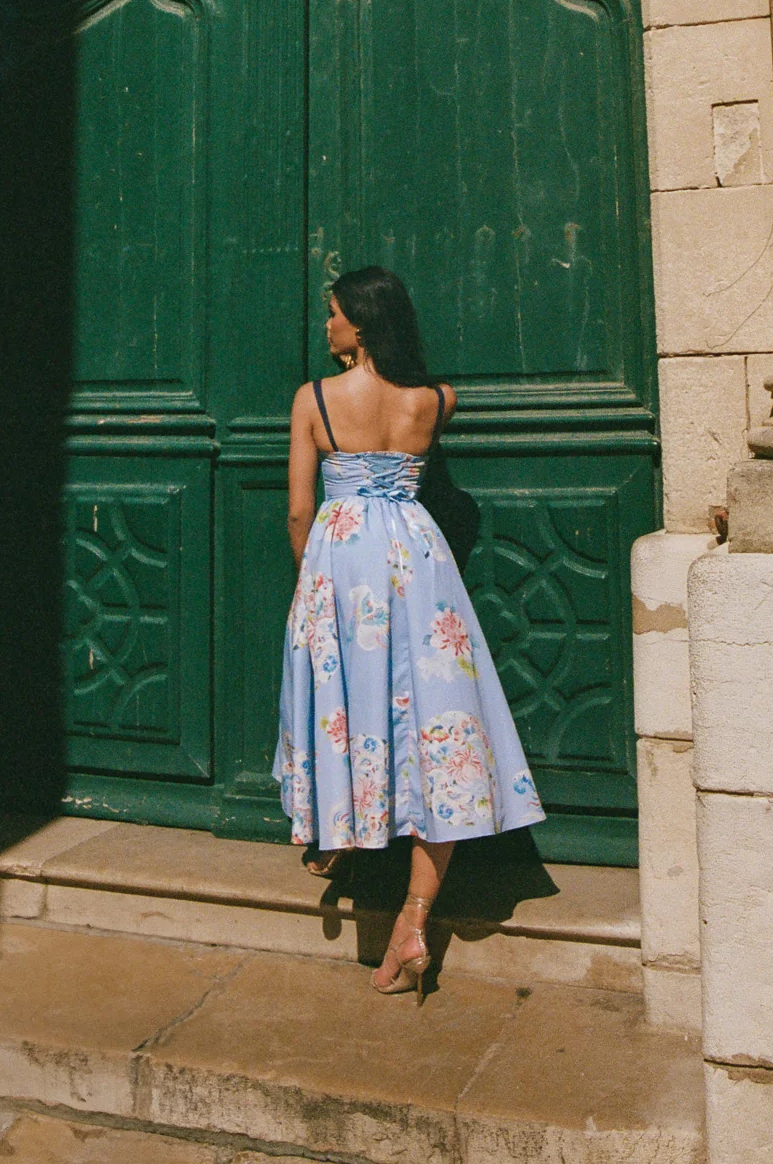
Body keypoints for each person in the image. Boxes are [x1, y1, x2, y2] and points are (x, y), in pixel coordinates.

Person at [273, 266, 545, 1001]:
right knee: (440, 726)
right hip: (418, 562)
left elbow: (300, 511)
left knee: (345, 709)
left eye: (332, 315)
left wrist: (314, 583)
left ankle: (333, 839)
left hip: (344, 561)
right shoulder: (436, 400)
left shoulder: (313, 401)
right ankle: (415, 919)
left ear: (358, 324)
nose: (324, 325)